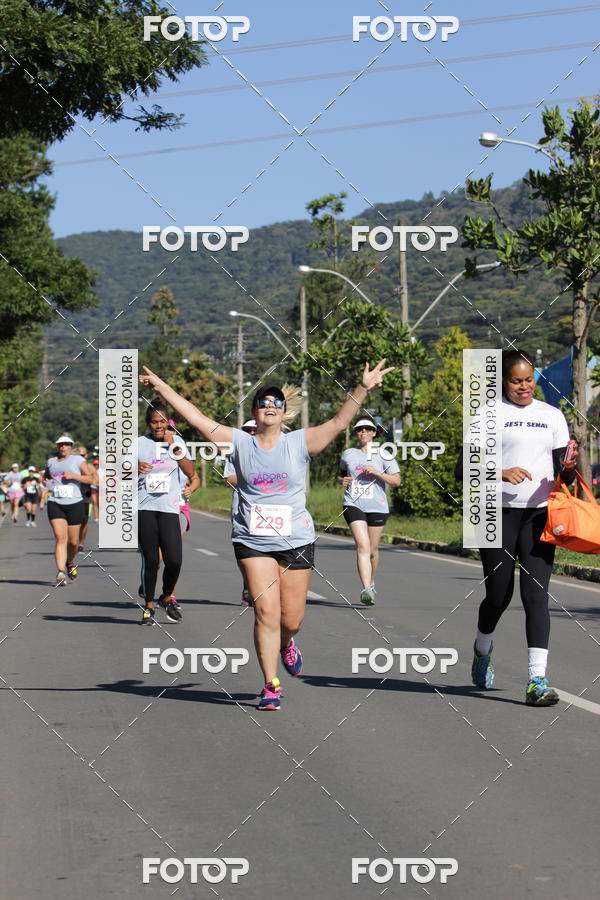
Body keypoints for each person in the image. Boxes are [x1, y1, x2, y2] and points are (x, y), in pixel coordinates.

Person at [139, 360, 394, 711]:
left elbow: (338, 422)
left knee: (291, 619)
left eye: (276, 402)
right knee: (265, 611)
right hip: (252, 540)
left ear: (284, 412)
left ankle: (287, 643)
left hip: (296, 540)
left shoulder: (299, 442)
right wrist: (161, 386)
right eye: (263, 402)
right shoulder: (239, 442)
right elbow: (196, 417)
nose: (270, 406)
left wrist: (363, 388)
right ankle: (270, 684)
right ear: (256, 412)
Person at [459, 349, 577, 707]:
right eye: (516, 380)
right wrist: (500, 472)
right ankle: (482, 648)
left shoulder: (552, 415)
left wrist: (569, 465)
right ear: (503, 381)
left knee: (536, 595)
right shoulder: (487, 415)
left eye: (528, 379)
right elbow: (462, 470)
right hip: (497, 514)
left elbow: (564, 473)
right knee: (499, 595)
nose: (524, 386)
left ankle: (536, 680)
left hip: (539, 516)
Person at [137, 401, 196, 625]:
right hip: (144, 508)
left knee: (175, 560)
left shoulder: (177, 442)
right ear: (148, 423)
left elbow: (190, 471)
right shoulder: (139, 444)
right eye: (154, 422)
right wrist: (135, 467)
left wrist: (173, 445)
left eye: (162, 421)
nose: (158, 426)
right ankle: (149, 606)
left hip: (170, 508)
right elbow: (120, 472)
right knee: (151, 560)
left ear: (167, 422)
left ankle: (165, 596)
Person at [338, 417, 400, 605]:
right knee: (362, 546)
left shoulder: (384, 454)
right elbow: (340, 474)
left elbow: (396, 481)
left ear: (374, 432)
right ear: (356, 433)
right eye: (359, 429)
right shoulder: (348, 454)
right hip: (353, 504)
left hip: (377, 506)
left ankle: (371, 582)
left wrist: (377, 473)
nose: (363, 431)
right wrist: (342, 481)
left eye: (367, 428)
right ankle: (366, 589)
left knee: (372, 550)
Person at [44, 435, 95, 585]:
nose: (63, 447)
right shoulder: (51, 462)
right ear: (57, 446)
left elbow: (90, 479)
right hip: (55, 502)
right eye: (60, 445)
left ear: (71, 446)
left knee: (73, 543)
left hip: (75, 503)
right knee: (61, 538)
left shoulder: (78, 460)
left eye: (66, 444)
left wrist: (73, 476)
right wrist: (48, 483)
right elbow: (46, 477)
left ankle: (69, 562)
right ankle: (60, 573)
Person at [224, 418, 257, 605]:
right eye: (247, 430)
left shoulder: (271, 450)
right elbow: (229, 479)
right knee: (244, 548)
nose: (251, 433)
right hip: (240, 508)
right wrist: (252, 477)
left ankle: (260, 586)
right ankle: (247, 584)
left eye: (254, 429)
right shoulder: (236, 452)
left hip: (266, 511)